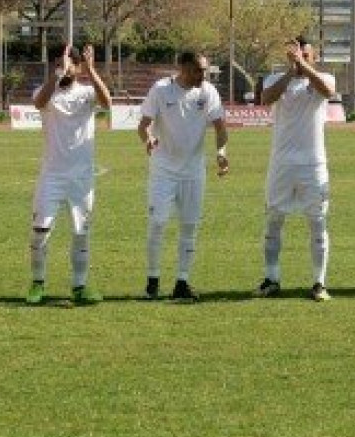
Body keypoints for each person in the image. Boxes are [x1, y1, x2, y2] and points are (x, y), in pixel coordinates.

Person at [136, 51, 229, 302]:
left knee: (189, 227)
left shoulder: (207, 92)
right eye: (199, 70)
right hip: (163, 171)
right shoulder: (161, 90)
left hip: (193, 172)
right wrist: (149, 138)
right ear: (184, 68)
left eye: (205, 70)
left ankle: (182, 282)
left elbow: (220, 127)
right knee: (158, 224)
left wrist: (221, 152)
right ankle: (152, 282)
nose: (203, 75)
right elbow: (143, 125)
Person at [26, 45, 113, 305]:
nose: (62, 67)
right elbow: (39, 102)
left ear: (77, 66)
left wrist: (91, 70)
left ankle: (79, 286)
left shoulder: (87, 93)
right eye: (56, 63)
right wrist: (55, 75)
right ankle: (37, 283)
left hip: (82, 178)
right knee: (40, 231)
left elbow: (107, 103)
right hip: (52, 176)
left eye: (66, 64)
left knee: (80, 233)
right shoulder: (48, 92)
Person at [257, 37, 336, 301]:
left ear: (315, 56)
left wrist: (304, 67)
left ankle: (319, 282)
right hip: (281, 163)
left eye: (306, 54)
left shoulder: (323, 77)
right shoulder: (274, 79)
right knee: (274, 219)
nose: (300, 57)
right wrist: (291, 71)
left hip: (313, 164)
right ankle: (272, 278)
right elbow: (266, 98)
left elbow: (328, 93)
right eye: (296, 54)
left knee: (317, 221)